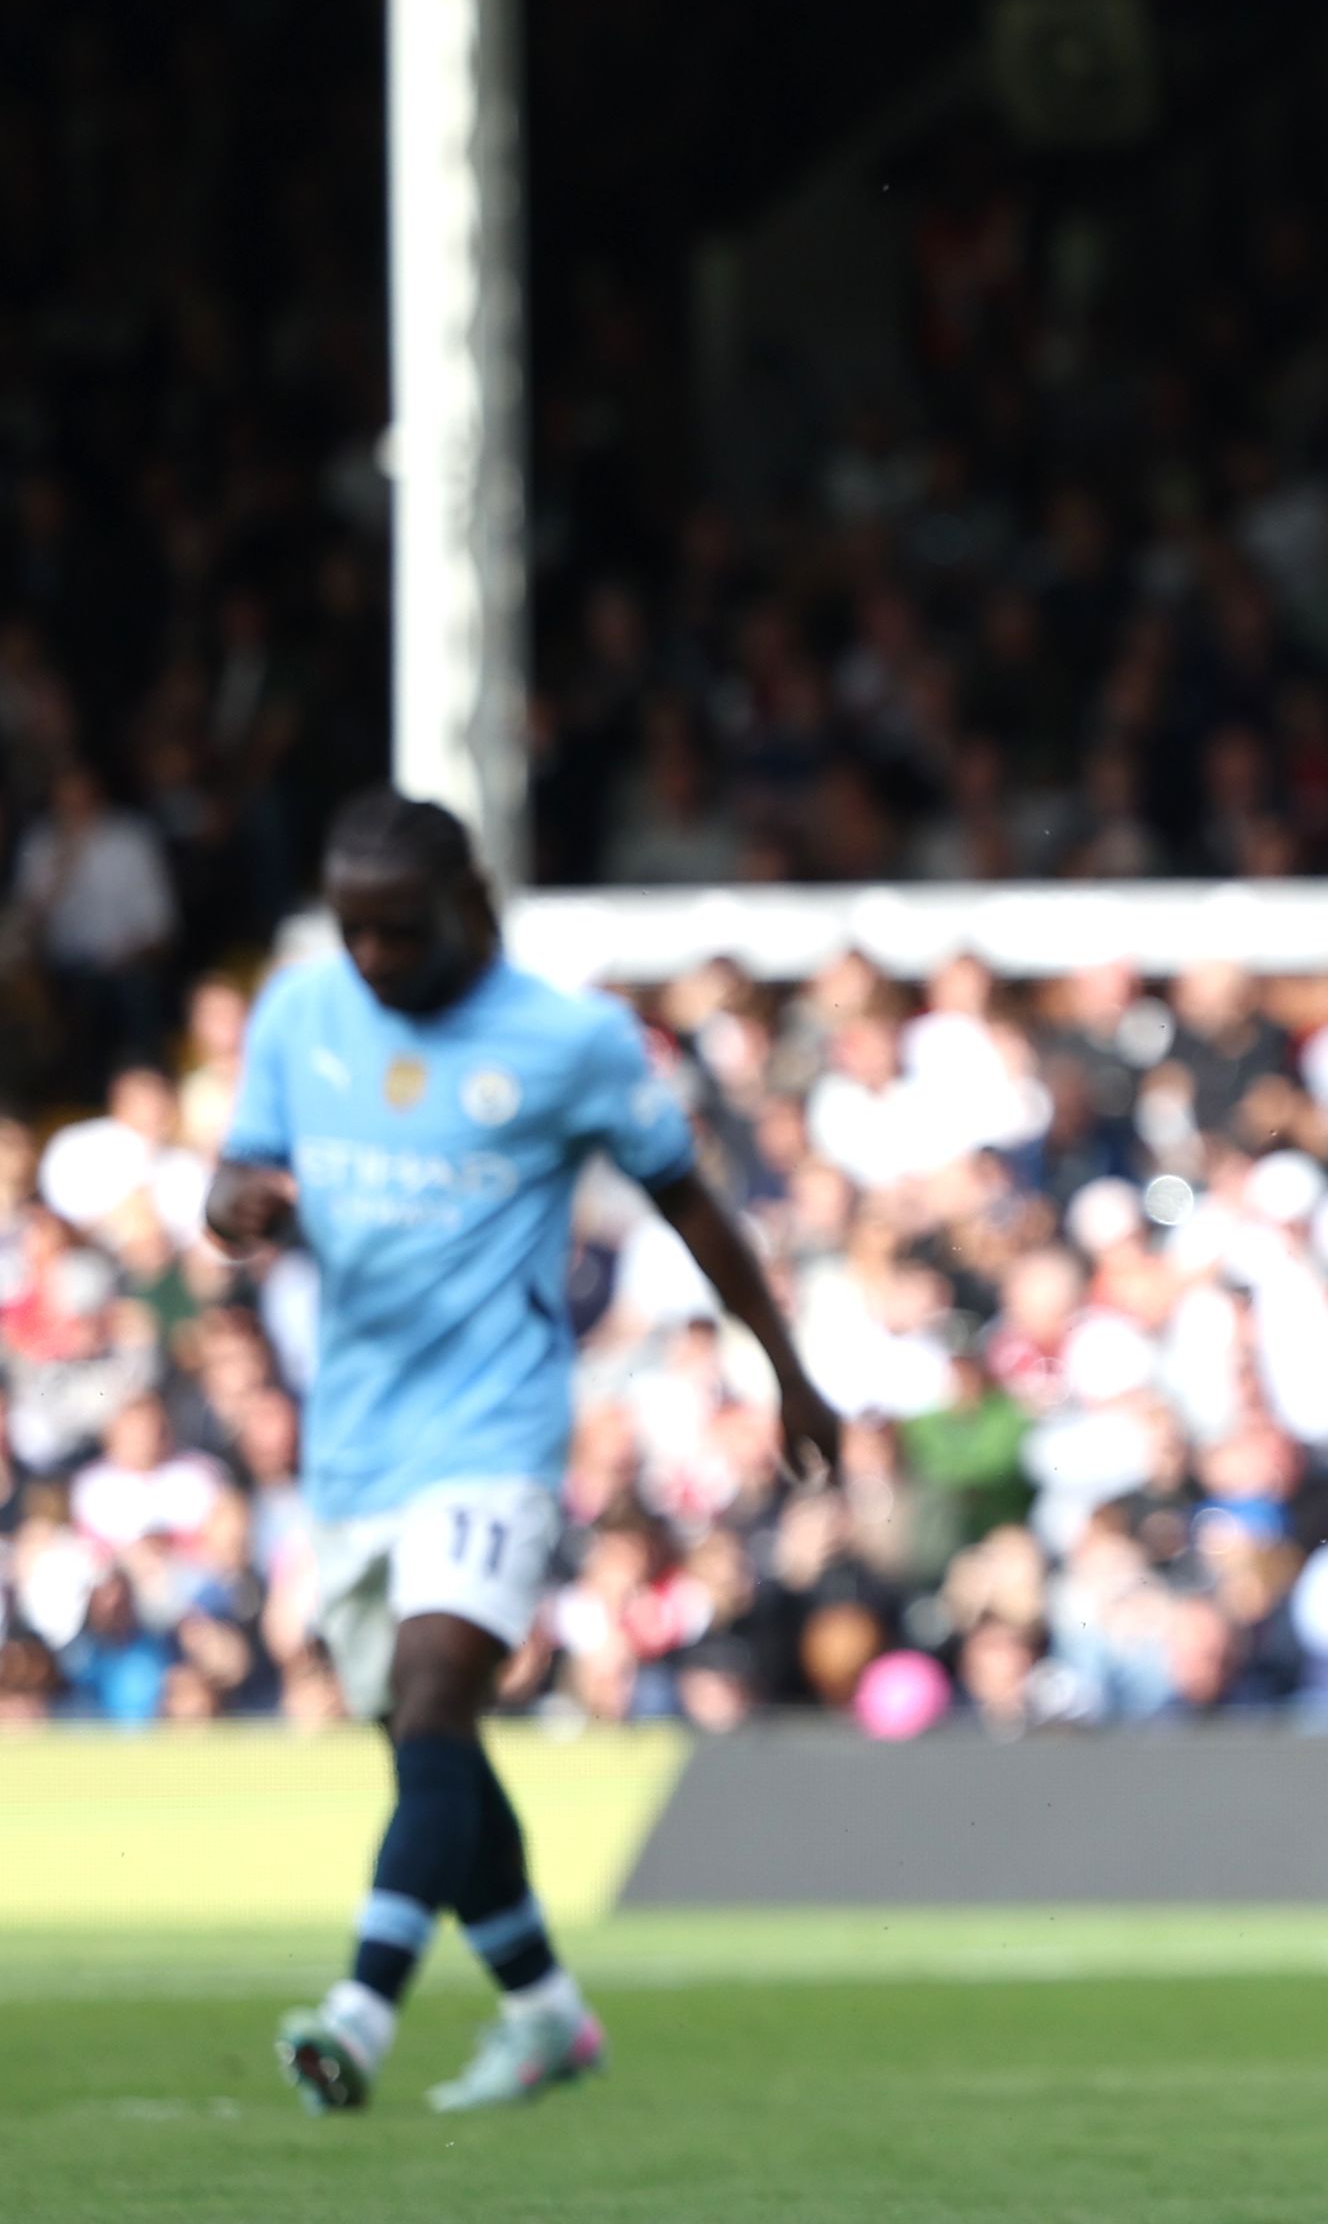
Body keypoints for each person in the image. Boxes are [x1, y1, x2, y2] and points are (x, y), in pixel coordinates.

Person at [219, 791, 842, 2116]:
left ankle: (360, 2013)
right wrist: (248, 1207)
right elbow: (234, 1177)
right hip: (353, 1446)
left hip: (496, 1427)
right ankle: (548, 2013)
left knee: (441, 1702)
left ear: (467, 907)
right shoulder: (299, 1014)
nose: (374, 961)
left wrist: (787, 1371)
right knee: (428, 1753)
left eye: (398, 932)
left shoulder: (567, 1042)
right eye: (355, 934)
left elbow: (694, 1209)